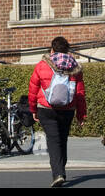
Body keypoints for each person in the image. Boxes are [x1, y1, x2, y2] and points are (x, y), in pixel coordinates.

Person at [28, 36, 87, 187]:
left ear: (52, 49)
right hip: (67, 109)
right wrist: (81, 115)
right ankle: (62, 169)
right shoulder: (75, 67)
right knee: (62, 139)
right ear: (67, 50)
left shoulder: (42, 65)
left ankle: (58, 173)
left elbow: (33, 89)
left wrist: (33, 109)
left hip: (46, 108)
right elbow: (80, 93)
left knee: (53, 141)